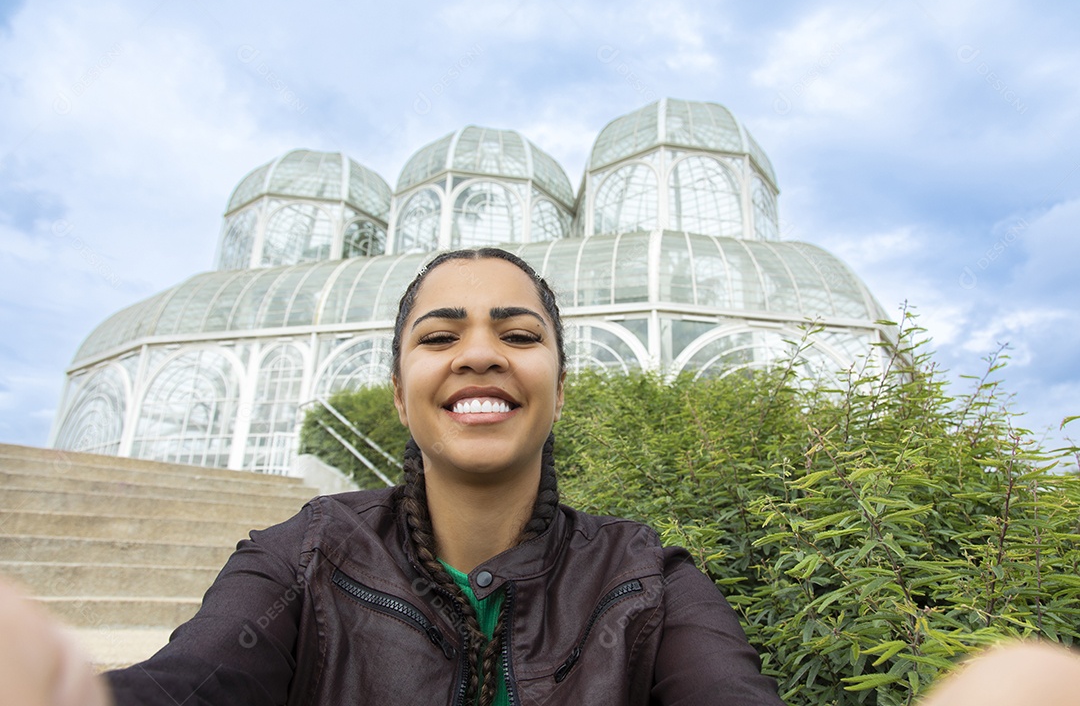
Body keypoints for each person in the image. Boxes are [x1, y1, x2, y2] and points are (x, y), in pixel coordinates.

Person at [5, 247, 785, 705]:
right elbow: (191, 682)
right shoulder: (304, 558)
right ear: (399, 396)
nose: (480, 354)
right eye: (439, 336)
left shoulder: (648, 579)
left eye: (519, 333)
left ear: (559, 385)